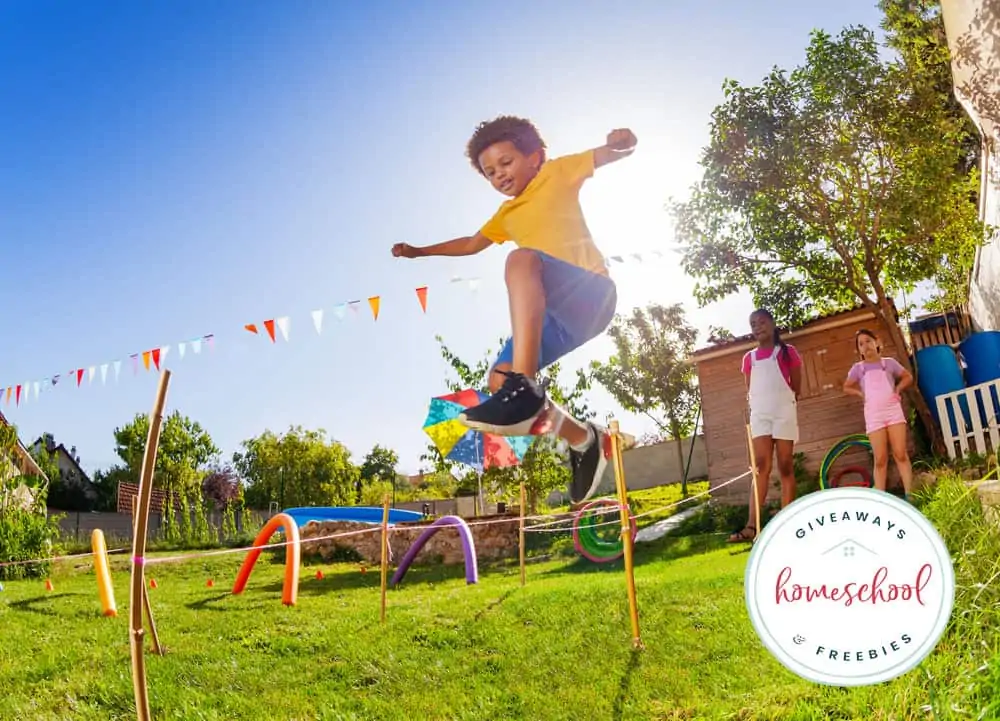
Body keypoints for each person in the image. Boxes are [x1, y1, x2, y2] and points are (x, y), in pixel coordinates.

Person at [392, 115, 635, 503]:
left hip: (590, 292)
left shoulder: (556, 173)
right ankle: (585, 439)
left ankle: (525, 387)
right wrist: (420, 252)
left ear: (534, 157)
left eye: (506, 163)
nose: (499, 175)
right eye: (490, 172)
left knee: (520, 261)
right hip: (559, 318)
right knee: (497, 382)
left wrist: (622, 142)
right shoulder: (506, 215)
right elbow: (471, 244)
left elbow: (608, 154)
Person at [729, 308, 802, 543]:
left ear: (772, 323)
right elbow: (751, 390)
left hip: (784, 412)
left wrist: (786, 405)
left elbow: (796, 386)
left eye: (761, 322)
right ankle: (753, 526)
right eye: (753, 324)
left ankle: (787, 523)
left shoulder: (788, 352)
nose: (757, 327)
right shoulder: (748, 359)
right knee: (760, 466)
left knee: (786, 465)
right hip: (760, 415)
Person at [843, 329, 915, 500]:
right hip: (873, 416)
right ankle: (881, 500)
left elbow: (907, 377)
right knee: (880, 459)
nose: (865, 346)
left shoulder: (888, 363)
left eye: (868, 341)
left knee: (900, 454)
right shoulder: (858, 369)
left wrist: (897, 388)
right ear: (859, 350)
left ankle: (911, 496)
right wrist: (861, 394)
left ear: (877, 342)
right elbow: (847, 386)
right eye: (861, 344)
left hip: (893, 411)